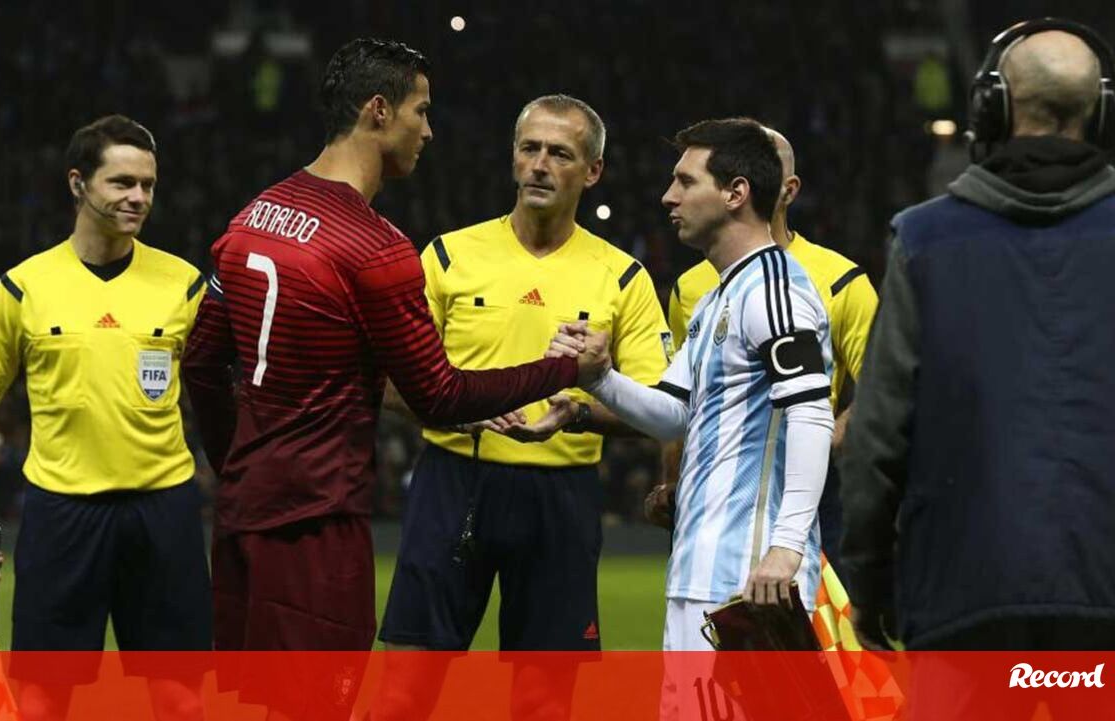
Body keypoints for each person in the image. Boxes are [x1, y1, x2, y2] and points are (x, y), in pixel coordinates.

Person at [181, 39, 604, 682]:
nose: (428, 131)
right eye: (421, 111)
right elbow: (440, 396)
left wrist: (234, 465)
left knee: (250, 700)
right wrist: (566, 369)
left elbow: (202, 365)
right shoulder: (374, 248)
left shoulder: (251, 217)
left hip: (242, 517)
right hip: (317, 520)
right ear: (379, 111)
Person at [840, 18, 1115, 720]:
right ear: (1101, 111)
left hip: (963, 597)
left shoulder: (924, 239)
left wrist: (867, 584)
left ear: (991, 107)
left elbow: (877, 434)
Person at [373, 95, 671, 721]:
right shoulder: (448, 257)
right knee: (404, 690)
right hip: (453, 482)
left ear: (592, 171)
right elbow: (384, 378)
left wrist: (581, 413)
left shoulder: (622, 278)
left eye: (559, 153)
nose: (539, 164)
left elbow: (658, 408)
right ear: (513, 157)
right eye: (529, 148)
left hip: (560, 496)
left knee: (543, 703)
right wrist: (453, 409)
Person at [551, 118, 834, 719]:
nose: (668, 197)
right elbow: (676, 415)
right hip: (701, 571)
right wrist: (600, 377)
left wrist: (785, 549)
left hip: (750, 576)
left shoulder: (775, 291)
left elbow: (811, 414)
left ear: (735, 193)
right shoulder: (716, 298)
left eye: (685, 181)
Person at [0, 115, 209, 721]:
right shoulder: (21, 290)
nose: (138, 197)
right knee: (43, 702)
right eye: (121, 182)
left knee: (180, 701)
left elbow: (229, 396)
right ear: (77, 183)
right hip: (62, 513)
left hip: (164, 510)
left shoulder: (187, 286)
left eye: (148, 184)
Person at [657, 128, 878, 569]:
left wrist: (816, 446)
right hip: (714, 487)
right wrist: (671, 479)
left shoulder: (841, 280)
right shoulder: (693, 287)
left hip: (809, 489)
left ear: (787, 189)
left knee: (804, 611)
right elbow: (684, 397)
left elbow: (880, 392)